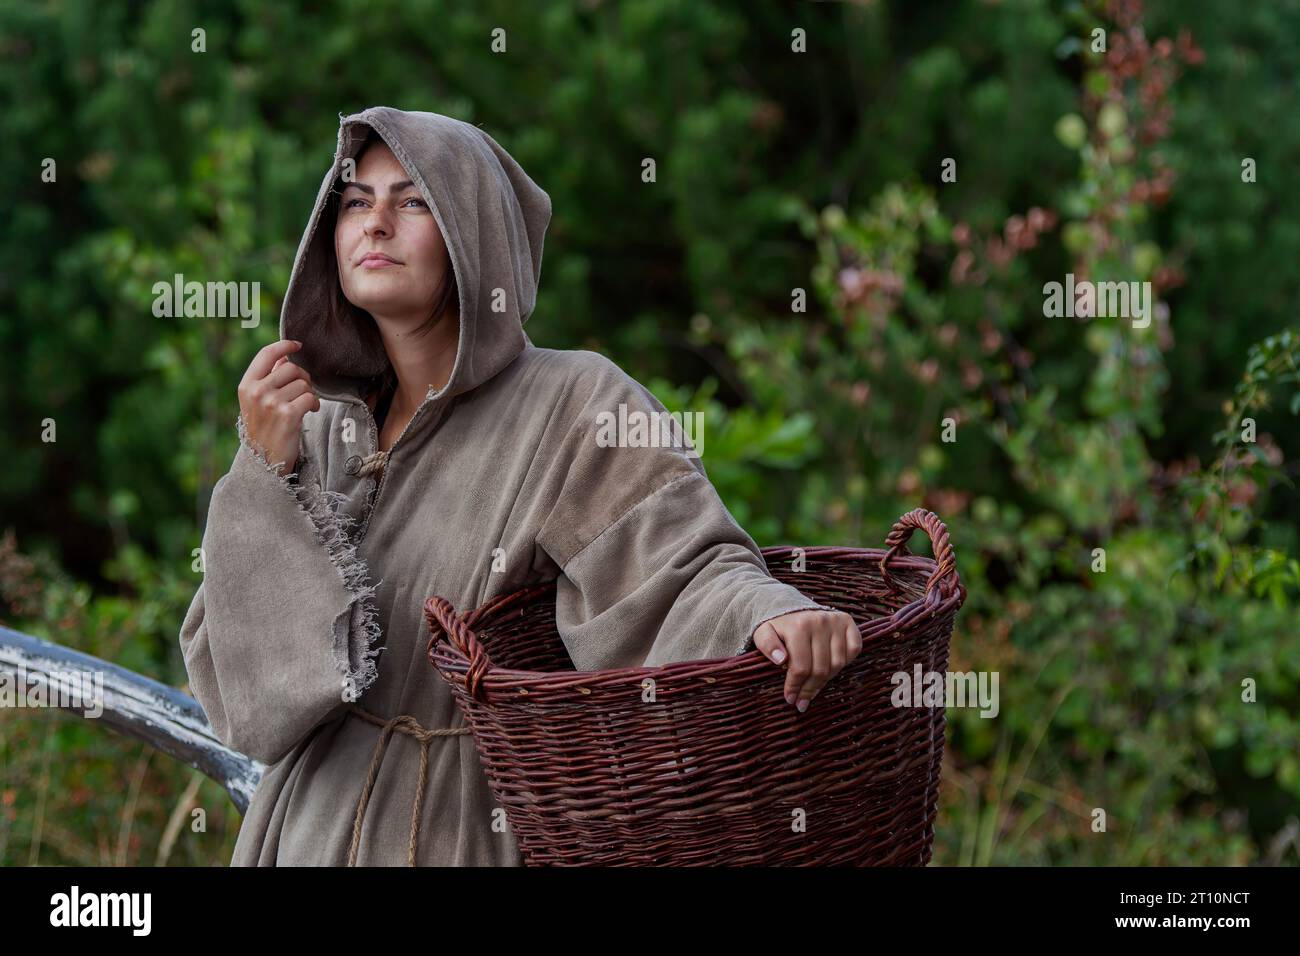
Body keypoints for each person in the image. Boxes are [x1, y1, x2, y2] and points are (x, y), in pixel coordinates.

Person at [179, 106, 862, 866]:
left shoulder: (575, 403)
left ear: (475, 234)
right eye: (354, 201)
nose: (375, 224)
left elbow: (678, 566)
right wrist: (262, 476)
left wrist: (771, 610)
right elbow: (248, 708)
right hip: (299, 833)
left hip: (464, 832)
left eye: (412, 201)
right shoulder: (309, 427)